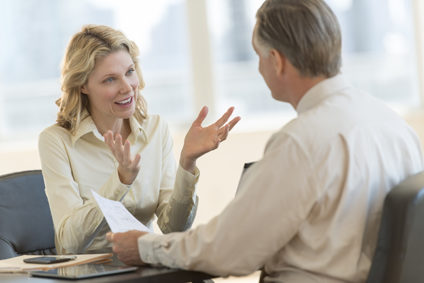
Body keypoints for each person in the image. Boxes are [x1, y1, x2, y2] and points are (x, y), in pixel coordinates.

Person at [107, 0, 424, 282]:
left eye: (258, 56)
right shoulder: (394, 125)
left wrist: (143, 246)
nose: (258, 67)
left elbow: (228, 250)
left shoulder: (301, 142)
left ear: (277, 60)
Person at [38, 24, 240, 255]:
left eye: (129, 72)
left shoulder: (156, 129)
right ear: (83, 85)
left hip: (146, 266)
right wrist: (120, 182)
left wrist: (187, 163)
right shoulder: (56, 141)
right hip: (92, 274)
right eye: (110, 80)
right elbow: (68, 243)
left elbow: (174, 228)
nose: (127, 88)